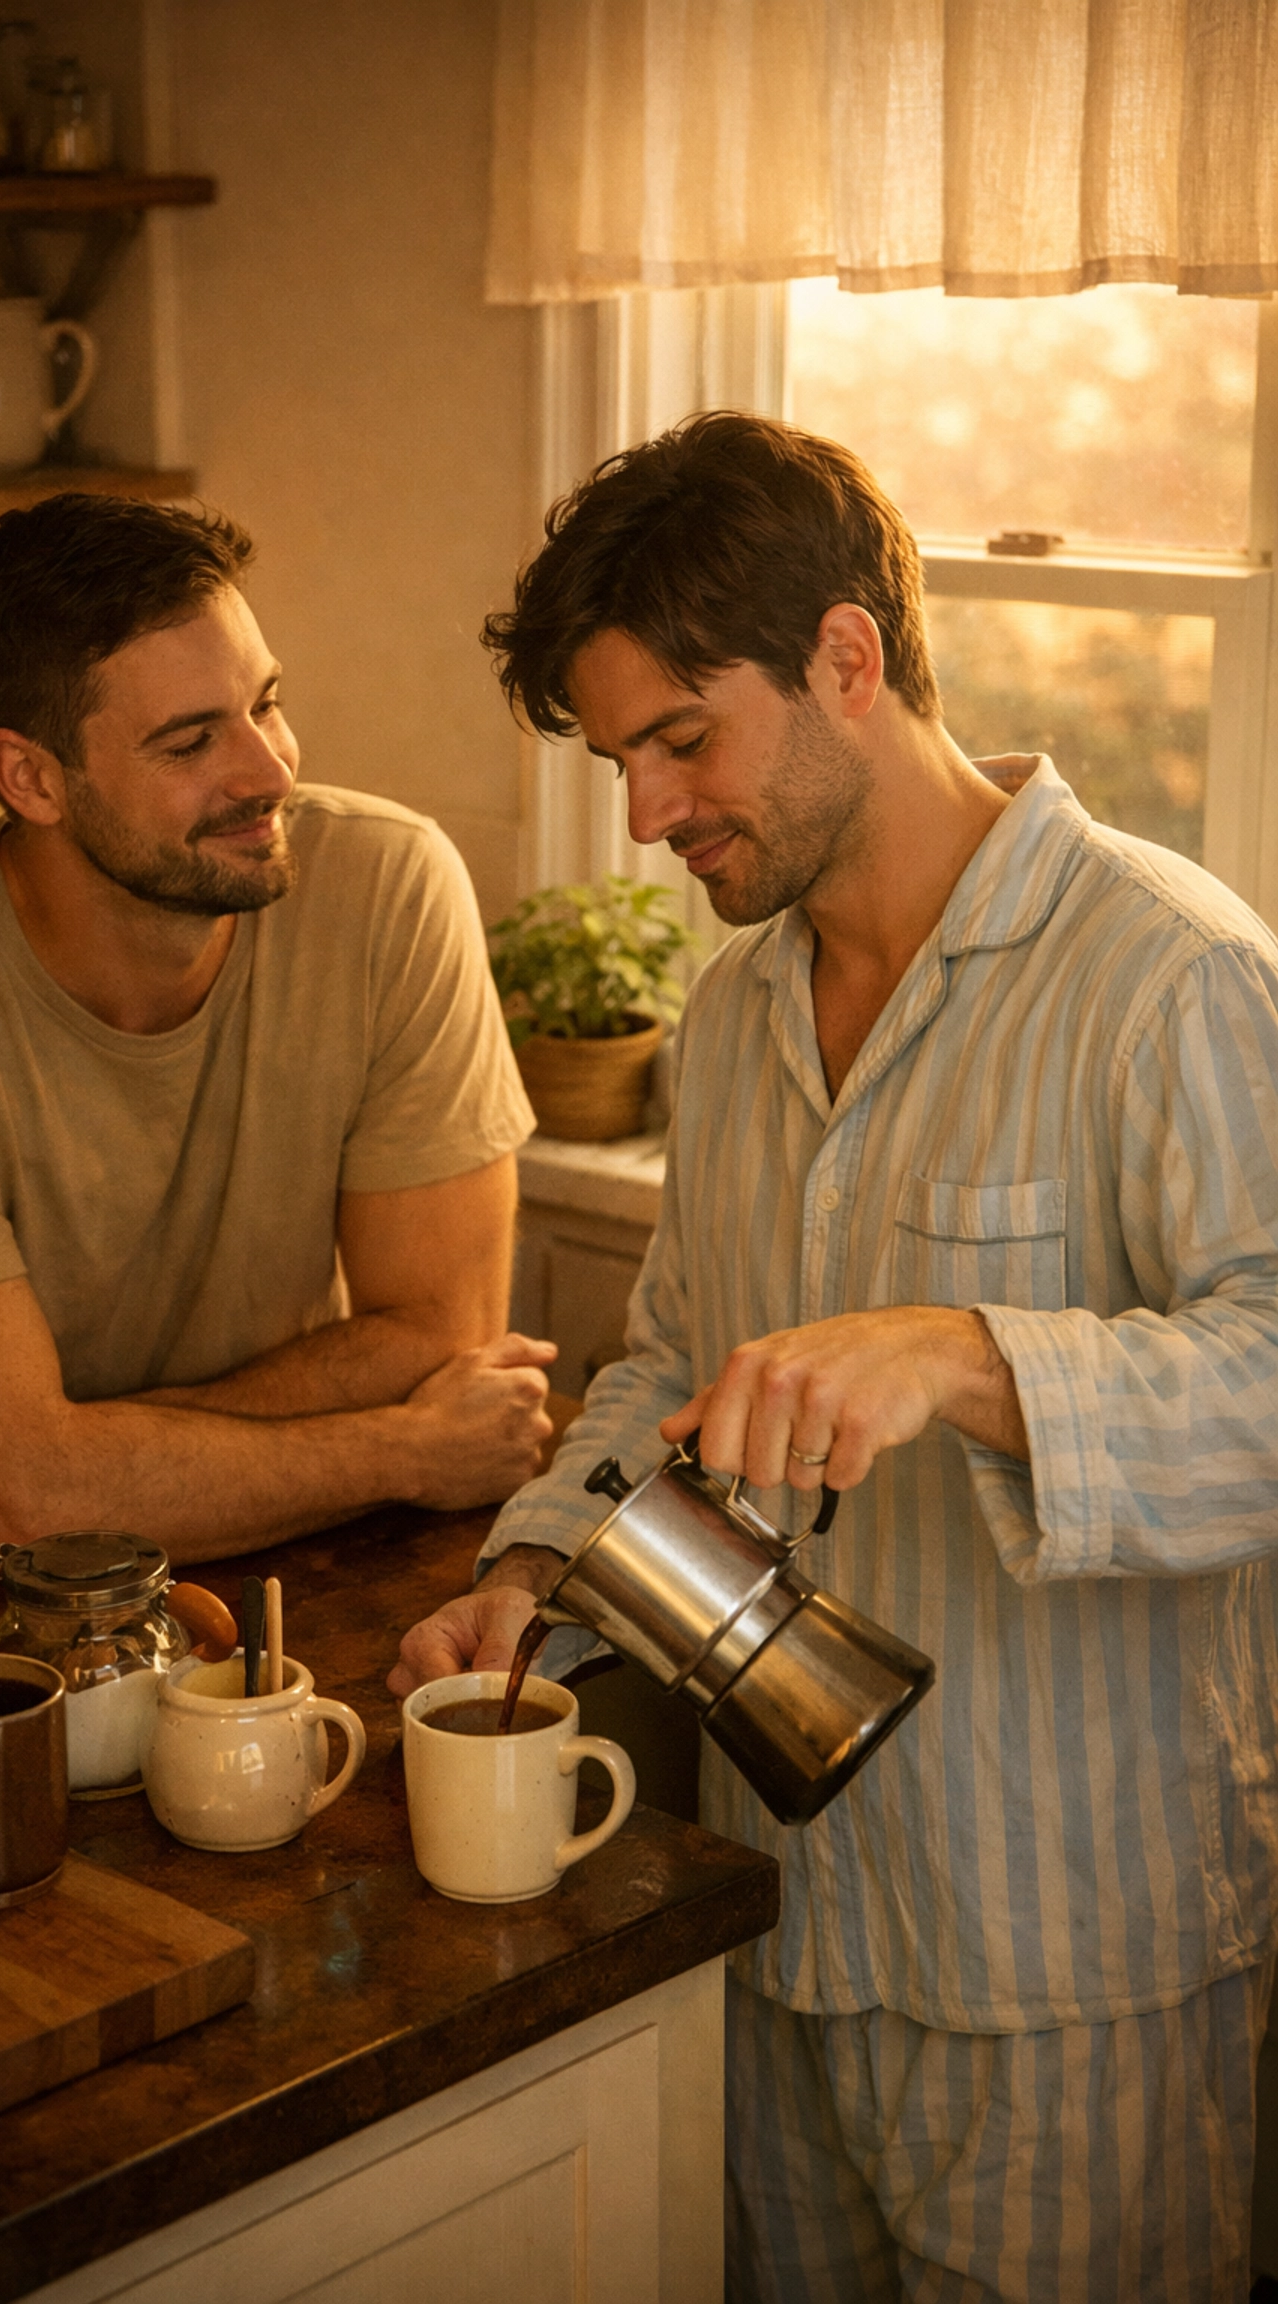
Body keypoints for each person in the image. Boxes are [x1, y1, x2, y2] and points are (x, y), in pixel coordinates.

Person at [389, 413, 1278, 2301]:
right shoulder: (732, 1021)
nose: (643, 809)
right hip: (780, 1923)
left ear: (849, 660)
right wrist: (534, 1566)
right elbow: (668, 1365)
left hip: (1071, 1967)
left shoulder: (1171, 973)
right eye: (620, 754)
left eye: (679, 738)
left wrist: (968, 1356)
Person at [0, 491, 554, 1609]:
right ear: (30, 778)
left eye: (266, 704)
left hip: (256, 1560)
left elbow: (438, 1335)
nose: (269, 771)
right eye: (191, 741)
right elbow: (27, 1515)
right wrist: (408, 1450)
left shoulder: (389, 887)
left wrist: (40, 1466)